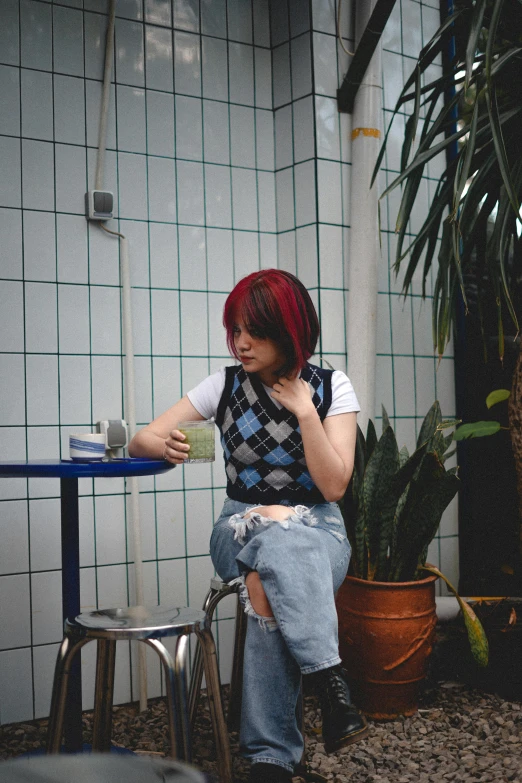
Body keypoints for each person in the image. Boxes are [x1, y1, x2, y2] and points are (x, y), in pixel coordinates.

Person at [129, 269, 367, 783]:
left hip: (320, 531)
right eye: (234, 329)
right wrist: (160, 445)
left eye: (252, 331)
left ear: (290, 329)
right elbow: (142, 439)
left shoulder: (331, 388)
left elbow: (334, 489)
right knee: (271, 544)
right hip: (236, 528)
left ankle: (270, 759)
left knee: (270, 569)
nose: (240, 342)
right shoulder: (224, 384)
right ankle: (330, 681)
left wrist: (306, 412)